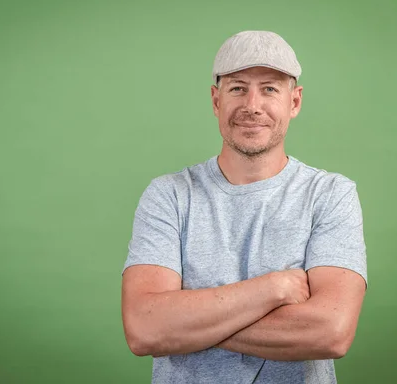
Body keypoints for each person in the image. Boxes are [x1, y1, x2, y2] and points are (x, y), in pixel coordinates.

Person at [121, 30, 367, 384]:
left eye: (269, 88)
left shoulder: (330, 194)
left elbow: (331, 332)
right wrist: (274, 289)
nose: (252, 105)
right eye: (237, 88)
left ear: (294, 102)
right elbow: (144, 328)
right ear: (216, 100)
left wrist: (187, 320)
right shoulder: (169, 196)